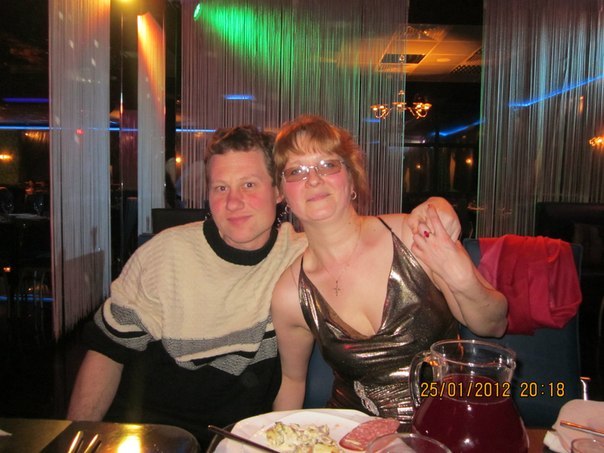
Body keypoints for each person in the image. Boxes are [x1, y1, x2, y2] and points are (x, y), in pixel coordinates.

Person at [67, 125, 308, 448]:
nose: (233, 202)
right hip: (148, 433)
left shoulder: (299, 256)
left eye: (249, 184)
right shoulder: (166, 254)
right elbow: (106, 353)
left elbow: (360, 242)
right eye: (221, 188)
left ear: (278, 191)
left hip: (235, 441)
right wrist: (75, 438)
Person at [270, 115, 508, 424]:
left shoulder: (412, 235)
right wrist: (275, 437)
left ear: (352, 178)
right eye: (296, 171)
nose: (313, 179)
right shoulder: (290, 294)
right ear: (282, 193)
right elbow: (292, 381)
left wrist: (461, 277)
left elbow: (493, 325)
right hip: (352, 437)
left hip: (448, 426)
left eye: (328, 165)